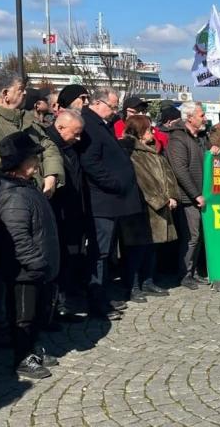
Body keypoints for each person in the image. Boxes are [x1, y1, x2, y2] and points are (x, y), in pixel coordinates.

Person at [0, 131, 60, 380]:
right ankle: (23, 358)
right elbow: (16, 236)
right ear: (20, 162)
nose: (37, 162)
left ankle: (31, 349)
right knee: (23, 318)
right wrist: (37, 263)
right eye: (33, 158)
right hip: (24, 270)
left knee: (35, 316)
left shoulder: (25, 187)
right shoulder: (13, 195)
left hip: (35, 268)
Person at [77, 88, 142, 318]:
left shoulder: (99, 123)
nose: (115, 112)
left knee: (104, 253)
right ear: (97, 102)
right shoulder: (89, 124)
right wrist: (115, 183)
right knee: (100, 254)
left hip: (110, 201)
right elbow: (91, 162)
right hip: (101, 201)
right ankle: (97, 303)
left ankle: (102, 297)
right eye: (112, 106)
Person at [120, 115, 179, 299]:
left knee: (152, 248)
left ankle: (148, 281)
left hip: (159, 210)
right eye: (148, 129)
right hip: (142, 209)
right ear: (138, 132)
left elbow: (167, 174)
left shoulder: (152, 149)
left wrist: (171, 195)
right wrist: (161, 200)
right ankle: (132, 286)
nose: (152, 132)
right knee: (137, 249)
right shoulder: (132, 151)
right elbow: (142, 181)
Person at [44, 110, 88, 320]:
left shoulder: (70, 147)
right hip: (58, 214)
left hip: (72, 213)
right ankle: (54, 308)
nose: (78, 138)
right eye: (76, 133)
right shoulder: (48, 146)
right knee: (58, 262)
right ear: (60, 128)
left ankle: (63, 303)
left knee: (70, 259)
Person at [166, 102, 212, 290]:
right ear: (189, 118)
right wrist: (196, 194)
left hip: (202, 194)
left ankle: (193, 271)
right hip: (188, 198)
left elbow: (208, 159)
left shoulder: (201, 137)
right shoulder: (178, 139)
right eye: (201, 115)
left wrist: (214, 151)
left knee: (199, 236)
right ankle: (184, 274)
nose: (205, 118)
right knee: (191, 236)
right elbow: (180, 170)